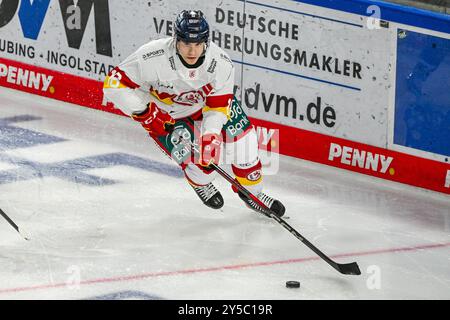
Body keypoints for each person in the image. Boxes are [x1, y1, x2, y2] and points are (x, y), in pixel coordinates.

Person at [103, 10, 285, 217]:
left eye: (198, 44)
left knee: (245, 144)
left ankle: (254, 194)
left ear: (206, 42)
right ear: (176, 40)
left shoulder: (220, 63)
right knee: (201, 169)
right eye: (187, 44)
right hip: (166, 116)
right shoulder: (152, 56)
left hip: (205, 107)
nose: (192, 51)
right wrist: (146, 113)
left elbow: (217, 106)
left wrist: (211, 134)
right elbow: (113, 85)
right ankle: (200, 183)